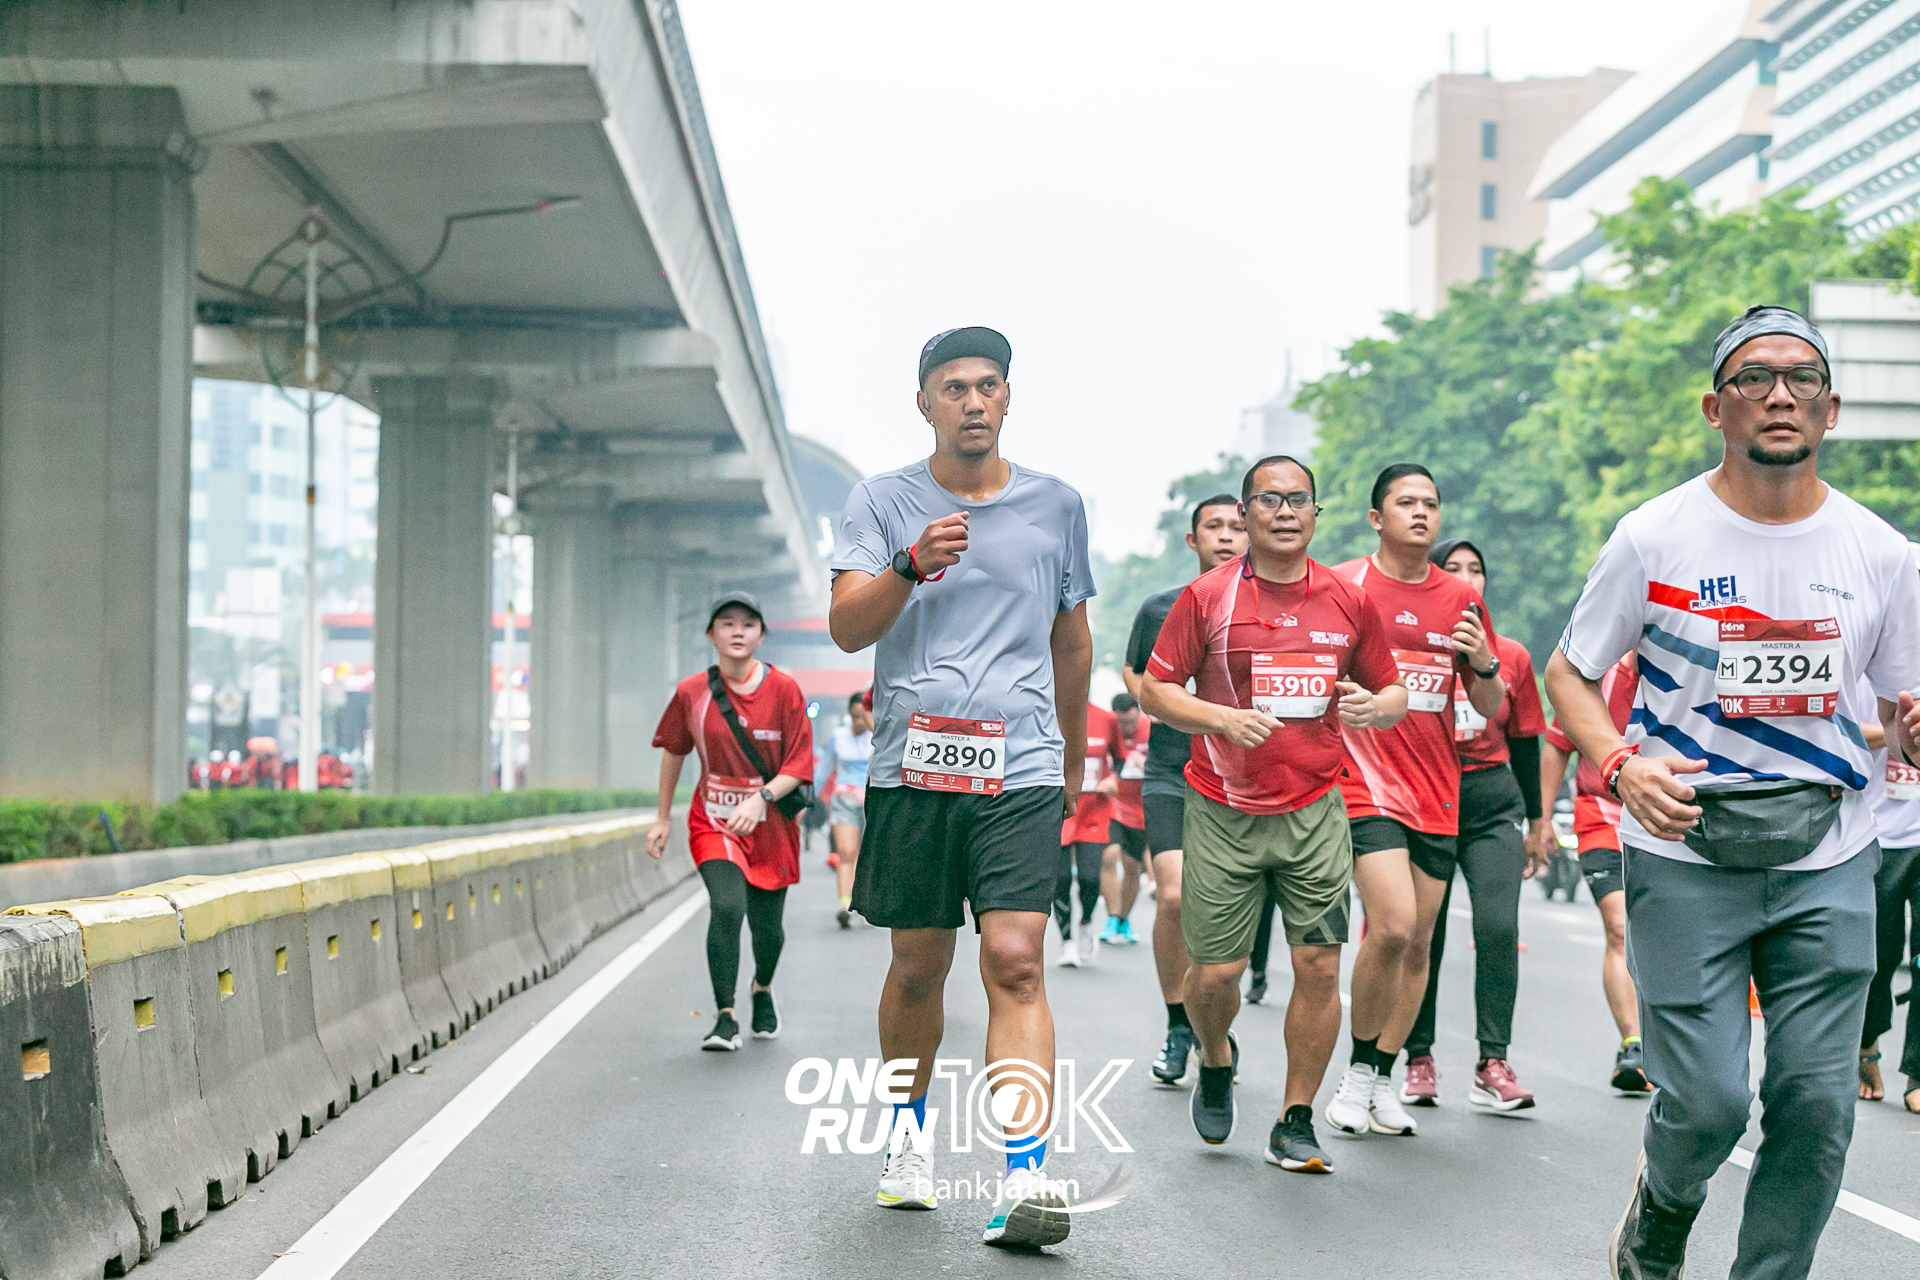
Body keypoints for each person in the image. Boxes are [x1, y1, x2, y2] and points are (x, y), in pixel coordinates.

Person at [1544, 305, 1920, 1280]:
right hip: (1684, 851)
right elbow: (1570, 673)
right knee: (1708, 1101)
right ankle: (1663, 1208)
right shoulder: (1654, 536)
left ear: (1831, 407)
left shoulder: (1882, 553)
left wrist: (1913, 731)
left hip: (1829, 854)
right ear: (1717, 407)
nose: (1780, 393)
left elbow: (1903, 705)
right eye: (1755, 377)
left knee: (1818, 1105)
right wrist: (1621, 765)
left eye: (1802, 377)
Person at [829, 326, 1094, 1249]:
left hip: (1021, 765)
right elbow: (846, 629)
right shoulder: (880, 500)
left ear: (1008, 398)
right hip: (913, 765)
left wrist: (1071, 759)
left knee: (1017, 960)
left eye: (988, 385)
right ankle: (907, 1139)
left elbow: (1071, 640)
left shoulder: (1057, 504)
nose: (973, 401)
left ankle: (1025, 1175)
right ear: (925, 404)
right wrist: (908, 564)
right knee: (918, 964)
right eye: (954, 387)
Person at [1139, 454, 1408, 1172]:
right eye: (1270, 500)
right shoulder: (1207, 597)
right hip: (1222, 807)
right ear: (1246, 513)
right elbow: (1155, 691)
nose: (1285, 513)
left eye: (1298, 500)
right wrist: (1220, 719)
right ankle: (1215, 1055)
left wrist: (1374, 706)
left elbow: (1393, 692)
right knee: (1215, 976)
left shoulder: (1348, 599)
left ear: (1316, 513)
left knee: (1318, 964)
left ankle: (1295, 1118)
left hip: (1315, 809)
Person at [1325, 465, 1504, 1138]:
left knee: (1419, 943)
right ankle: (1354, 1075)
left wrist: (1483, 661)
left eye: (1430, 503)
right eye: (1406, 502)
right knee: (1393, 926)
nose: (1421, 513)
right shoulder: (1343, 586)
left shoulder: (1461, 597)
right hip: (1363, 783)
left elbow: (1490, 704)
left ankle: (1378, 1077)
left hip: (1437, 787)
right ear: (1377, 518)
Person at [1399, 538, 1550, 1110]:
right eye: (1453, 568)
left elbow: (1527, 742)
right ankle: (1417, 1057)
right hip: (1424, 797)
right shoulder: (1412, 649)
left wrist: (1537, 821)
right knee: (1423, 933)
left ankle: (1493, 1062)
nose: (1467, 577)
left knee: (1497, 927)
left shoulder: (1511, 656)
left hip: (1492, 803)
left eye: (1476, 569)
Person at [648, 592, 813, 1051]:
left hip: (771, 826)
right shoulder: (691, 692)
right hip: (714, 821)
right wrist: (662, 818)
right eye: (727, 623)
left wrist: (761, 798)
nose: (737, 631)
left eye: (748, 623)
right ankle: (725, 1016)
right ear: (710, 635)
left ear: (762, 635)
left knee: (768, 931)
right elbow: (674, 751)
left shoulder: (785, 690)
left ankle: (762, 987)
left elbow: (800, 764)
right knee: (726, 907)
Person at [1123, 494, 1248, 1084]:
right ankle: (1179, 1024)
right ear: (1193, 540)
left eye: (1236, 527)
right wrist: (1175, 704)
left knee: (1222, 914)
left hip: (1243, 780)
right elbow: (1137, 674)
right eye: (1213, 527)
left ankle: (1211, 1026)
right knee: (1172, 897)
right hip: (1172, 772)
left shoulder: (1274, 611)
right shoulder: (1160, 608)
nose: (1226, 536)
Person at [1535, 655, 1652, 1094]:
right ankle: (1633, 1044)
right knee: (1620, 928)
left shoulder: (1689, 667)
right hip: (1603, 812)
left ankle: (1669, 1044)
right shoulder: (1593, 674)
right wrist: (1543, 819)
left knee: (1665, 935)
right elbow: (1557, 746)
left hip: (1667, 815)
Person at [1859, 633, 1920, 1110]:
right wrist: (1899, 731)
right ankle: (1866, 1046)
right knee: (1875, 958)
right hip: (1876, 835)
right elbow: (1840, 732)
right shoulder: (1869, 667)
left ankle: (1918, 1072)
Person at [1057, 701, 1121, 966]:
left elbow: (1120, 758)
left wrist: (1113, 778)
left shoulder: (1106, 719)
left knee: (1090, 879)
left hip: (1094, 810)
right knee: (1061, 879)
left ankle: (1085, 921)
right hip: (1059, 809)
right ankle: (1067, 942)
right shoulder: (1050, 714)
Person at [814, 691, 874, 929]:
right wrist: (809, 799)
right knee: (846, 852)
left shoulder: (877, 737)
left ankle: (866, 904)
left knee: (867, 855)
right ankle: (845, 904)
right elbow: (823, 770)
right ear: (849, 713)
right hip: (844, 801)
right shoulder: (838, 737)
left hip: (871, 802)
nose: (860, 720)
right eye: (856, 715)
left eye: (864, 715)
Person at [1099, 692, 1152, 947]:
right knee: (1109, 856)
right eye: (1122, 723)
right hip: (1113, 804)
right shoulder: (1108, 727)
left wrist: (1145, 762)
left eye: (1131, 722)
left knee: (1132, 867)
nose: (1127, 728)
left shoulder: (1151, 729)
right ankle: (1111, 916)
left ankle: (1123, 918)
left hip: (1141, 808)